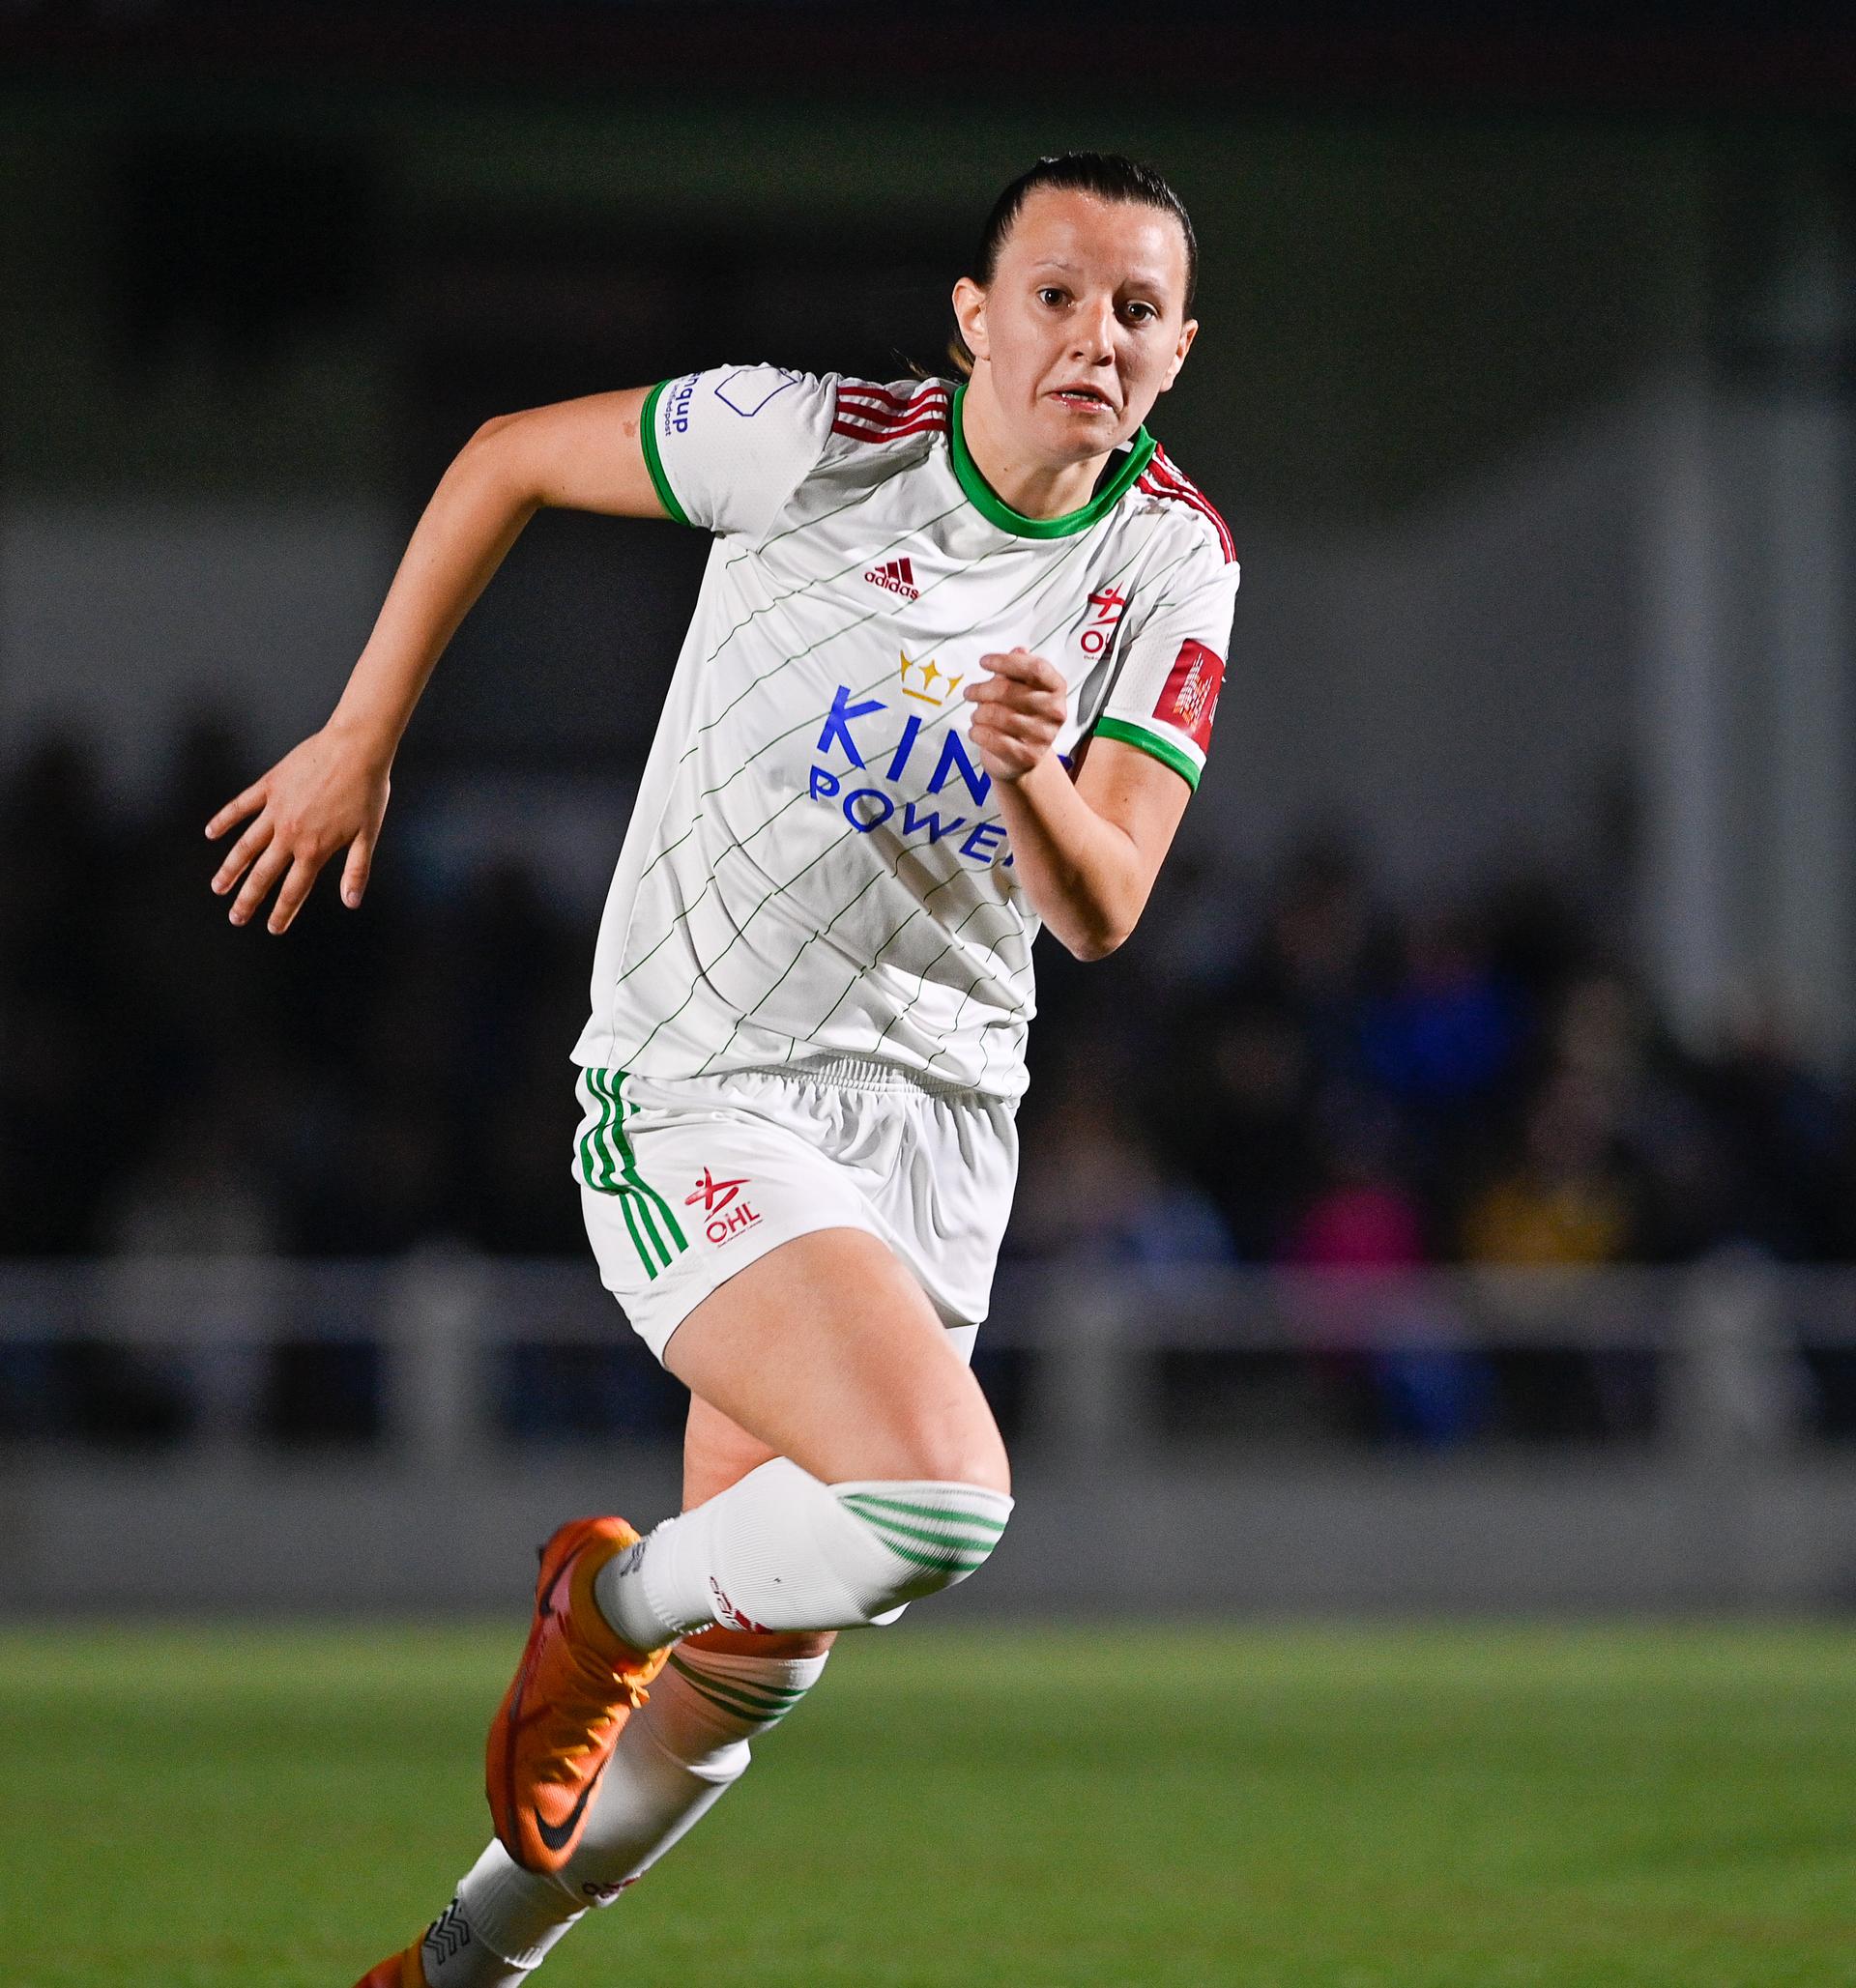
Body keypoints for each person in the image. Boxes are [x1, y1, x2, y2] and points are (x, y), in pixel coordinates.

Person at [207, 151, 1238, 1988]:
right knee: (942, 1500)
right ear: (976, 315)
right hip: (708, 1078)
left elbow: (1105, 910)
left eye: (1137, 310)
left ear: (1178, 351)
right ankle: (600, 1598)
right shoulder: (819, 441)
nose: (1096, 337)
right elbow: (506, 452)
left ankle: (454, 1966)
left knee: (754, 1671)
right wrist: (364, 733)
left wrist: (1031, 777)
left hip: (935, 1122)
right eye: (1060, 295)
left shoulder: (1173, 561)